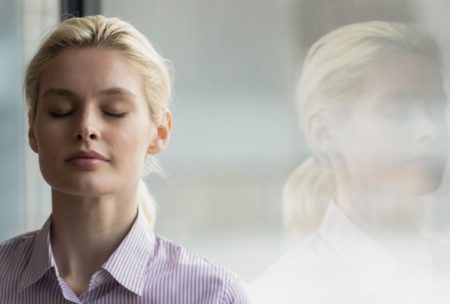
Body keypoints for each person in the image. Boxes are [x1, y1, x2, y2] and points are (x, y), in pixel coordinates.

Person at [0, 15, 248, 304]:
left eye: (114, 111)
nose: (86, 128)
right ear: (32, 129)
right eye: (61, 110)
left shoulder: (212, 295)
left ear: (160, 131)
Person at [250, 21, 450, 304]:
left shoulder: (441, 266)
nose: (431, 129)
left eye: (436, 107)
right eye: (398, 109)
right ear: (324, 132)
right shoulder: (285, 292)